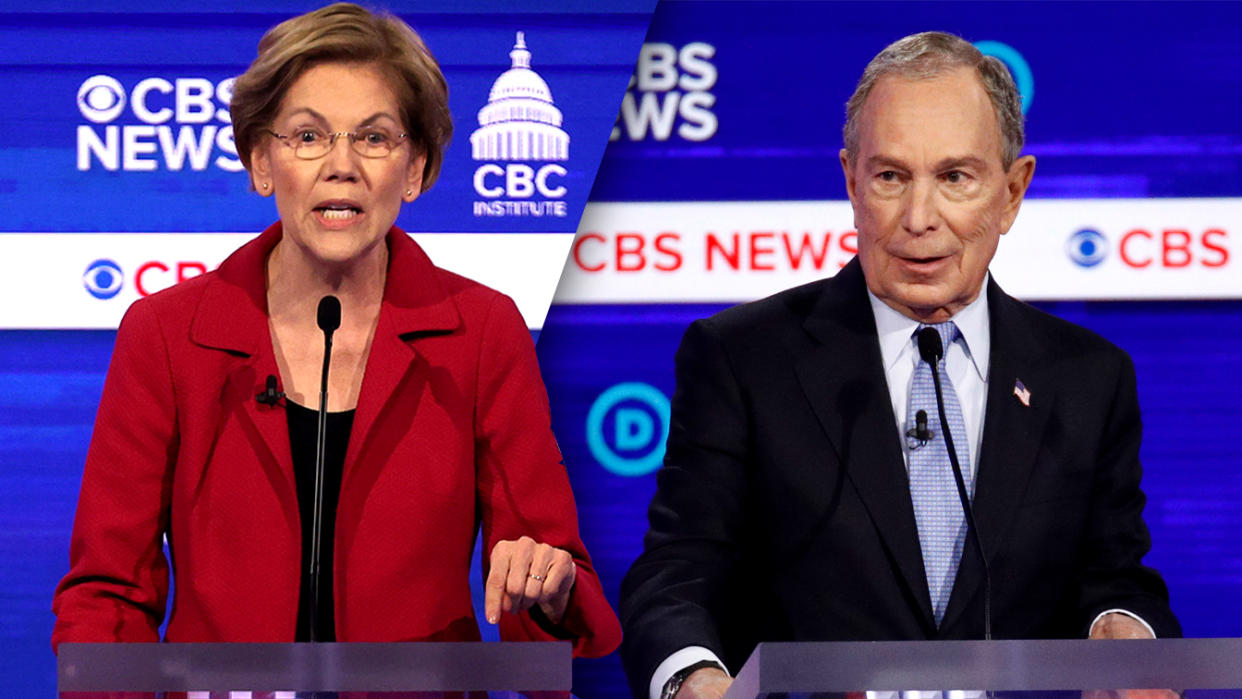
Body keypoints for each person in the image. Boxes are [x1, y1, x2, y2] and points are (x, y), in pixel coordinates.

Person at [619, 31, 1178, 699]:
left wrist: (1122, 629)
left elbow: (1115, 574)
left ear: (1012, 192)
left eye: (954, 178)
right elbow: (679, 571)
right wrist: (692, 676)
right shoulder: (743, 359)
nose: (920, 218)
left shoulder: (1087, 378)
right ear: (850, 181)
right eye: (890, 176)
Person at [52, 2, 620, 658]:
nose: (341, 164)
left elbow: (562, 594)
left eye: (374, 138)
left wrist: (548, 587)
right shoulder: (168, 333)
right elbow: (106, 591)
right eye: (308, 136)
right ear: (261, 161)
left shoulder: (481, 333)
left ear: (416, 170)